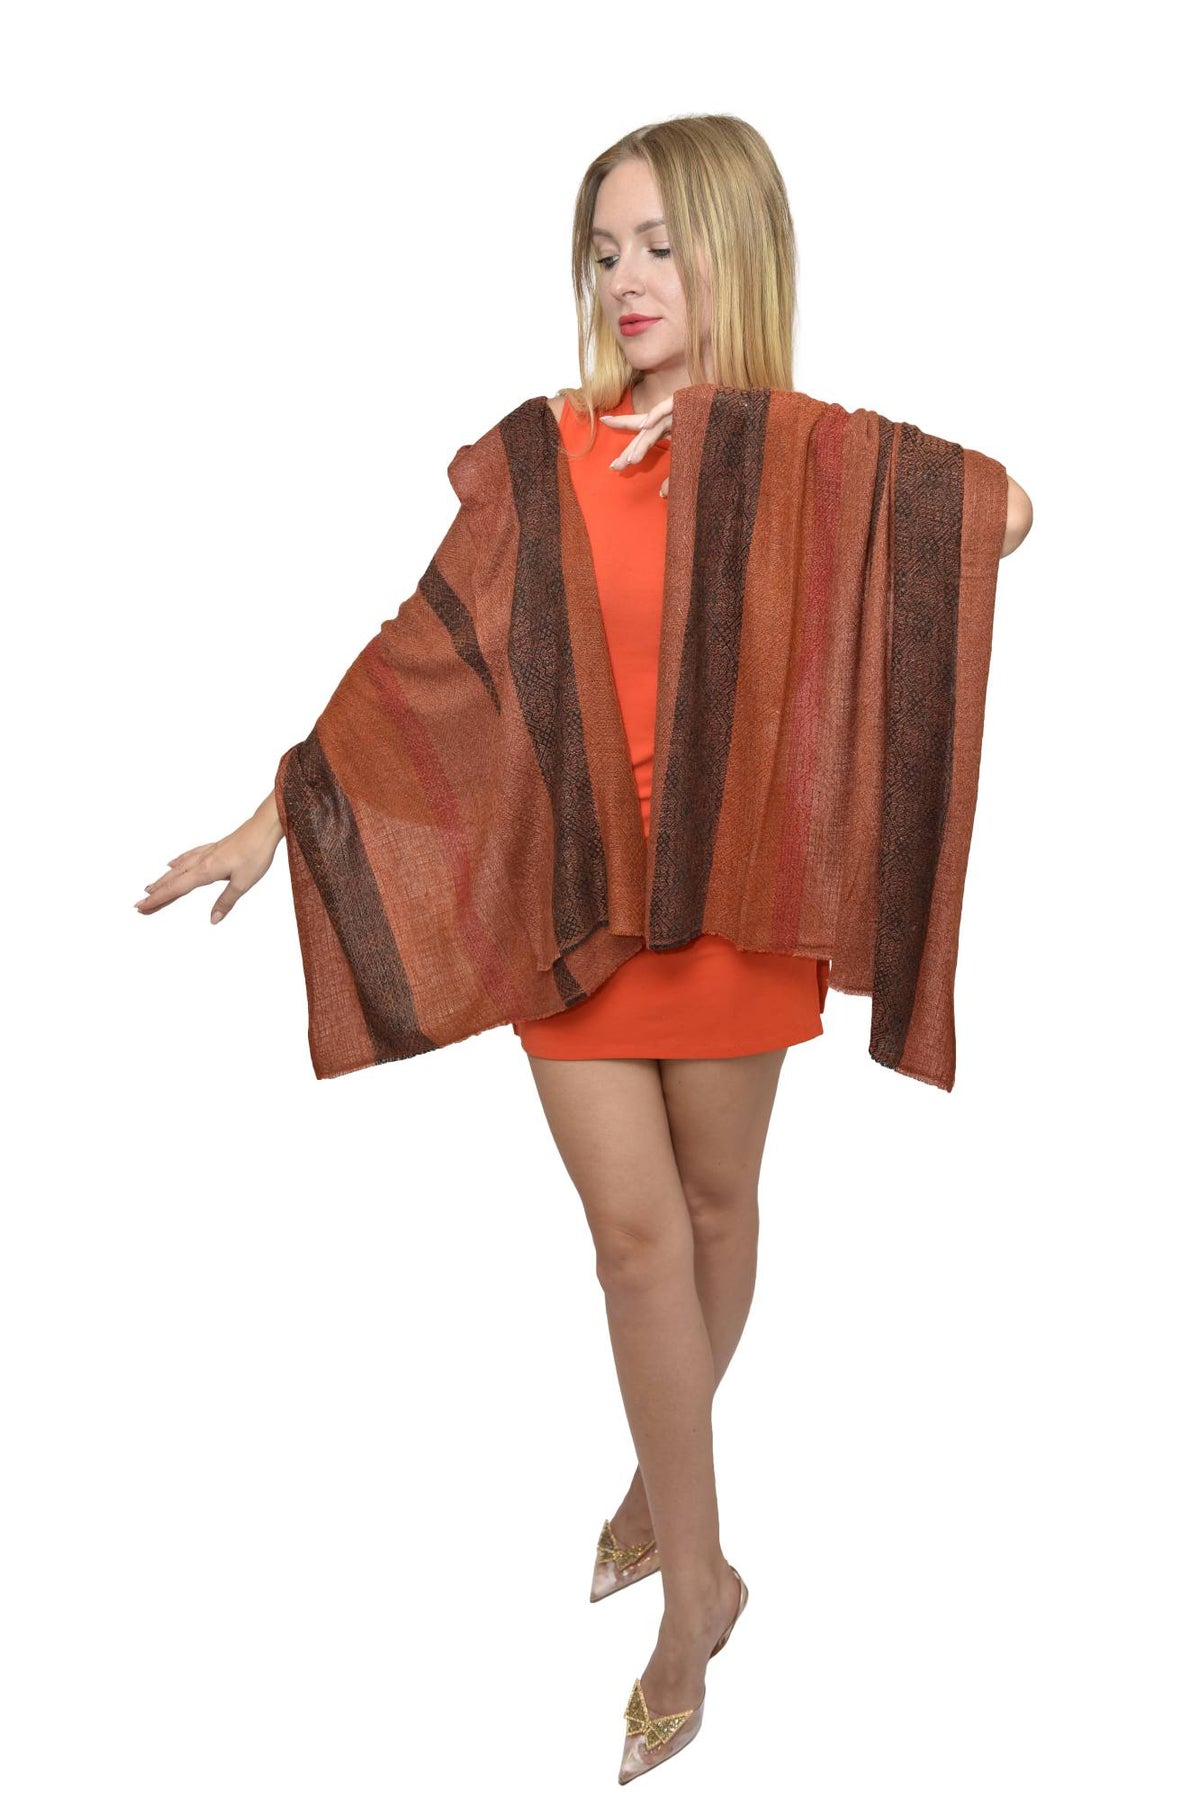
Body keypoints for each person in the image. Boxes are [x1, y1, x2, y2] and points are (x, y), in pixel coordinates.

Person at [134, 114, 1033, 1784]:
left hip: (737, 887)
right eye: (604, 249)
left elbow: (1006, 513)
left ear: (735, 254)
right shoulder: (545, 452)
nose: (626, 278)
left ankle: (653, 1475)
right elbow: (421, 648)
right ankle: (700, 1593)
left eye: (660, 246)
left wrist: (775, 445)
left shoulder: (800, 452)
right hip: (572, 904)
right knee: (635, 1243)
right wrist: (275, 819)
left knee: (715, 1211)